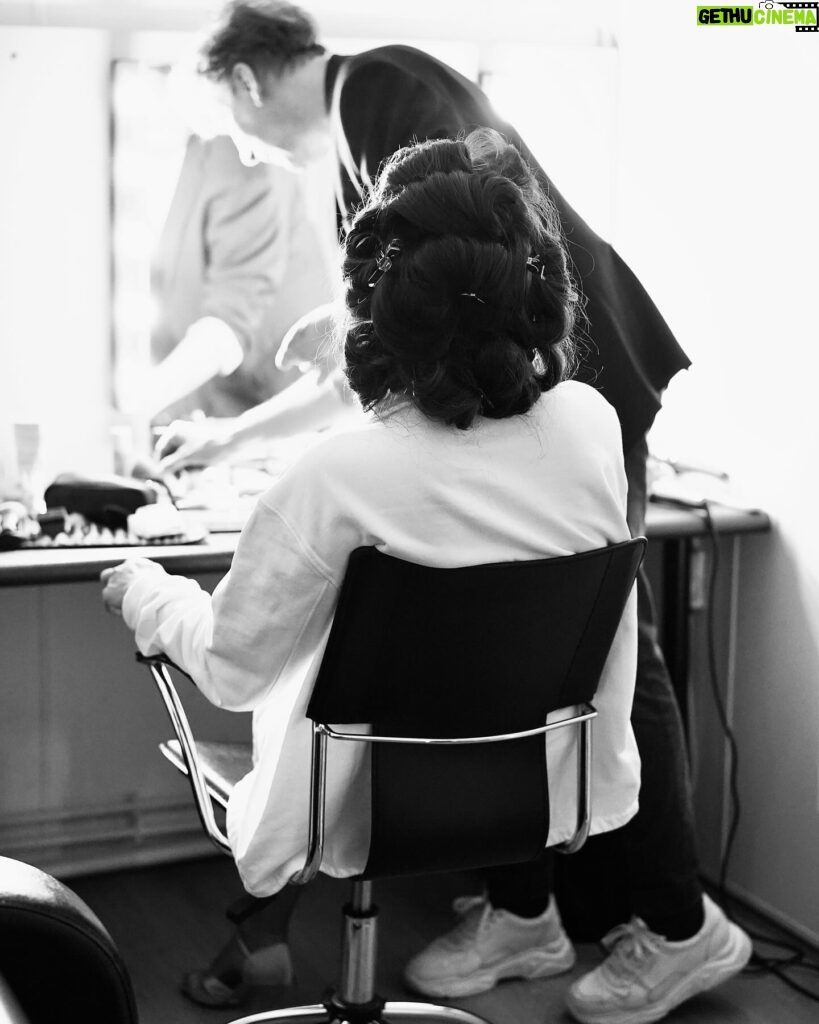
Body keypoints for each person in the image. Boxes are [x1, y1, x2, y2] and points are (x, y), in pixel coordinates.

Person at [154, 5, 754, 1023]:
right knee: (501, 638)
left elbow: (465, 279)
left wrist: (259, 422)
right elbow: (388, 359)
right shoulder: (360, 142)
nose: (239, 143)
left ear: (248, 84)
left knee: (605, 632)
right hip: (519, 392)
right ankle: (526, 909)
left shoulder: (388, 90)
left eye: (228, 120)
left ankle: (680, 922)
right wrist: (233, 433)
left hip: (573, 383)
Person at [101, 130, 643, 1010]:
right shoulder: (589, 425)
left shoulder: (337, 475)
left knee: (281, 705)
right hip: (526, 789)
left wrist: (148, 591)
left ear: (375, 305)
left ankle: (261, 936)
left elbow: (234, 671)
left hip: (345, 812)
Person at [129, 131, 336, 424]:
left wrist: (138, 407)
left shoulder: (241, 153)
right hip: (226, 410)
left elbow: (229, 323)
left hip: (293, 405)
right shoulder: (176, 151)